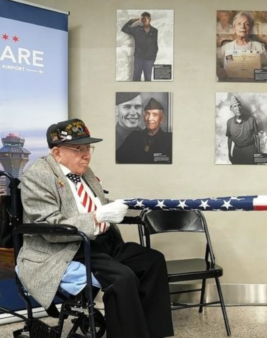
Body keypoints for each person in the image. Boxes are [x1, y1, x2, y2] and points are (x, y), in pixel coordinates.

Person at [18, 118, 174, 338]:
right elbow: (48, 225)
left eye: (88, 148)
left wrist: (128, 207)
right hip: (71, 247)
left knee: (153, 261)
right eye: (78, 149)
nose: (86, 154)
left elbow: (99, 202)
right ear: (57, 153)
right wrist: (96, 217)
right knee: (122, 278)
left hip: (102, 241)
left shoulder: (85, 171)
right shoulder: (38, 175)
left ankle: (153, 333)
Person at [216, 11, 267, 81]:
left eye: (247, 24)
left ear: (250, 28)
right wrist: (221, 72)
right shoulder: (225, 48)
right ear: (234, 28)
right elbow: (214, 64)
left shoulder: (259, 47)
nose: (242, 27)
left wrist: (259, 73)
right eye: (239, 24)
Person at [117, 98, 172, 164]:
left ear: (162, 119)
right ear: (144, 117)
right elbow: (117, 158)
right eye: (147, 114)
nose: (149, 118)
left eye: (154, 115)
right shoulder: (134, 136)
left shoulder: (169, 139)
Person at [122, 12, 158, 81]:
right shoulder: (137, 30)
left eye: (147, 18)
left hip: (149, 59)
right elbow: (124, 29)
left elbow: (155, 46)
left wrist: (153, 58)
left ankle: (147, 91)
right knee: (136, 78)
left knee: (148, 79)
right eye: (143, 18)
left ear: (150, 19)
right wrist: (132, 21)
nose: (145, 20)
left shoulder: (154, 31)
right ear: (142, 20)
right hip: (138, 58)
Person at [226, 95, 261, 164]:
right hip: (237, 150)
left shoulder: (251, 119)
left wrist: (259, 155)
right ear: (231, 109)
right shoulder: (229, 122)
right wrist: (229, 153)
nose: (237, 108)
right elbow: (229, 139)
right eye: (234, 106)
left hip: (250, 149)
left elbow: (257, 137)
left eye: (239, 105)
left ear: (241, 107)